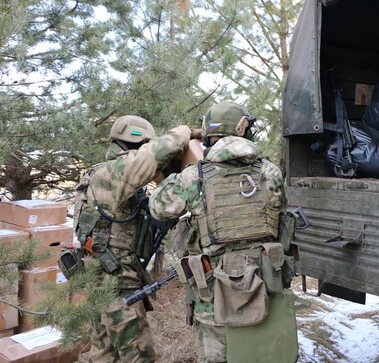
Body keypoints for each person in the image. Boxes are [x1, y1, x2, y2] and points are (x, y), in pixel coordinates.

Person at [149, 101, 290, 363]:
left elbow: (158, 208)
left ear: (208, 135)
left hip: (214, 292)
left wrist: (170, 175)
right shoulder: (269, 172)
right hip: (265, 283)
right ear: (244, 130)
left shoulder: (195, 177)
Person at [73, 115, 198, 363]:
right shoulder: (116, 171)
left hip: (101, 279)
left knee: (104, 353)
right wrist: (190, 131)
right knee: (138, 356)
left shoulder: (99, 173)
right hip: (115, 283)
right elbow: (157, 152)